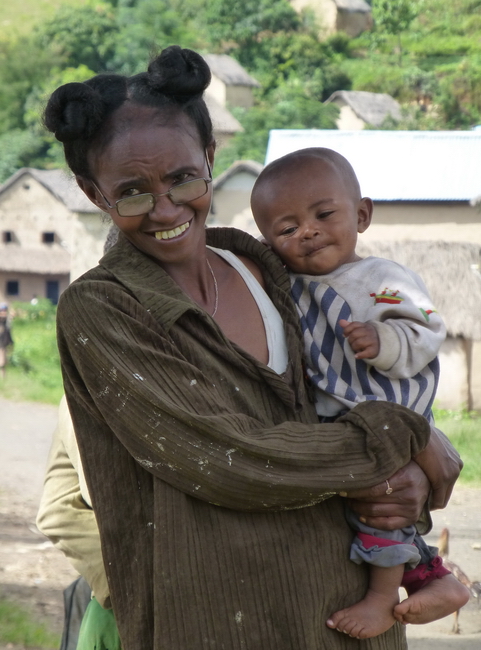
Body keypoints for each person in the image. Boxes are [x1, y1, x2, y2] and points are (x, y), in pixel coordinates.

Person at [39, 45, 462, 649]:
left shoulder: (270, 264)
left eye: (183, 178)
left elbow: (353, 395)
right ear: (92, 192)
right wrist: (406, 441)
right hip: (218, 620)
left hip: (346, 618)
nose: (165, 208)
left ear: (210, 158)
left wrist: (408, 475)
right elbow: (229, 458)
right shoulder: (104, 309)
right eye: (131, 192)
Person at [250, 147, 470, 639]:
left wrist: (384, 339)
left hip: (387, 410)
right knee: (364, 510)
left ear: (362, 215)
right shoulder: (292, 286)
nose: (306, 232)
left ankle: (380, 598)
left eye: (323, 215)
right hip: (342, 415)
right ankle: (434, 580)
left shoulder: (381, 282)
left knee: (383, 505)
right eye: (286, 229)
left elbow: (425, 326)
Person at [0, 302, 13, 380]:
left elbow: (8, 333)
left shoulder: (5, 323)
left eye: (4, 309)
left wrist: (11, 343)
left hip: (2, 345)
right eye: (2, 309)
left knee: (2, 364)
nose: (3, 311)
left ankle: (3, 379)